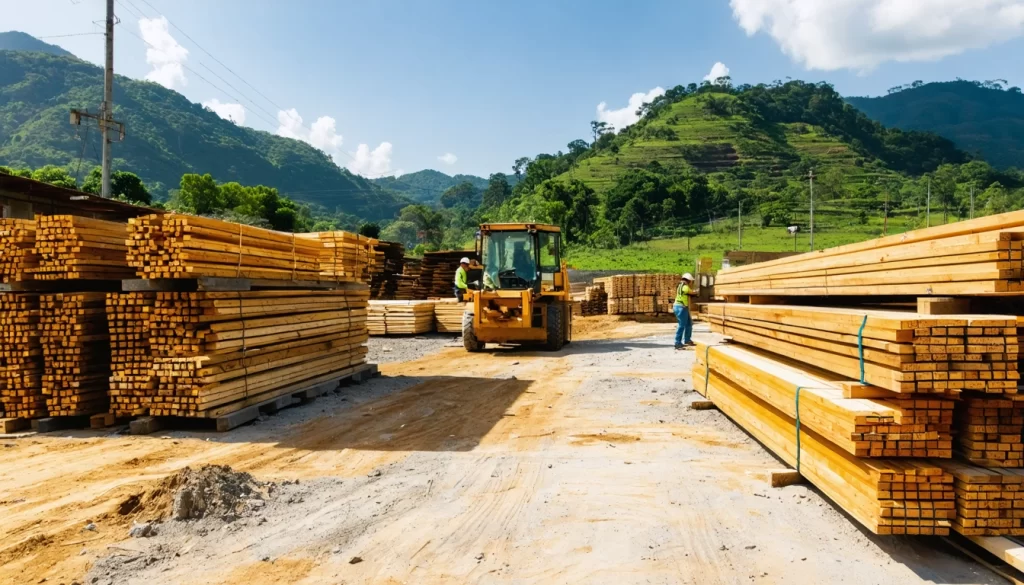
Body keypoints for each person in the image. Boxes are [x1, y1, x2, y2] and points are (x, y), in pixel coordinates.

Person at [674, 273, 697, 350]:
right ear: (689, 280)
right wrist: (696, 291)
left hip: (681, 307)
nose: (691, 282)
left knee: (688, 324)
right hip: (681, 307)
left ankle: (687, 340)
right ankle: (677, 343)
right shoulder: (685, 287)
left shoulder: (680, 285)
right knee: (682, 325)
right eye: (691, 281)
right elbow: (692, 293)